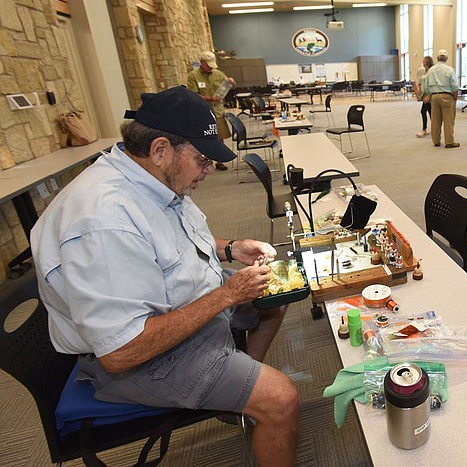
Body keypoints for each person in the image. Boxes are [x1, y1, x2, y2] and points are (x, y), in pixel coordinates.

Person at [30, 86, 298, 466]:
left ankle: (235, 401)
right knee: (282, 398)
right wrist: (225, 296)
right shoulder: (104, 222)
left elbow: (167, 241)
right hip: (141, 358)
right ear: (159, 150)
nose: (209, 170)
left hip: (178, 307)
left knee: (276, 296)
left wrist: (230, 248)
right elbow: (121, 352)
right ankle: (257, 402)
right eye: (203, 160)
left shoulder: (150, 178)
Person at [186, 50, 237, 170]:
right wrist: (210, 98)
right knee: (204, 136)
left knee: (219, 136)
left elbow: (231, 86)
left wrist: (232, 82)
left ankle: (220, 160)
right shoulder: (193, 76)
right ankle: (204, 161)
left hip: (217, 111)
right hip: (202, 112)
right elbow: (192, 94)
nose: (210, 68)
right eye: (208, 65)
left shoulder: (218, 74)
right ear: (202, 63)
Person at [422, 49, 460, 148]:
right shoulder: (449, 70)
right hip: (447, 96)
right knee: (448, 120)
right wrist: (455, 98)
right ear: (446, 58)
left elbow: (426, 86)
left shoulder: (431, 70)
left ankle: (436, 141)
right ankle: (449, 142)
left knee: (435, 120)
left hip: (434, 96)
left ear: (437, 58)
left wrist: (430, 95)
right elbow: (454, 86)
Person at [413, 56, 434, 138]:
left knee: (423, 111)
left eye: (424, 61)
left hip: (429, 94)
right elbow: (423, 81)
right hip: (424, 93)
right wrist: (419, 87)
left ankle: (424, 129)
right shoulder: (425, 72)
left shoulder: (431, 71)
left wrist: (429, 95)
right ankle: (434, 128)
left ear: (428, 62)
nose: (423, 63)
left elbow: (432, 83)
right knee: (430, 112)